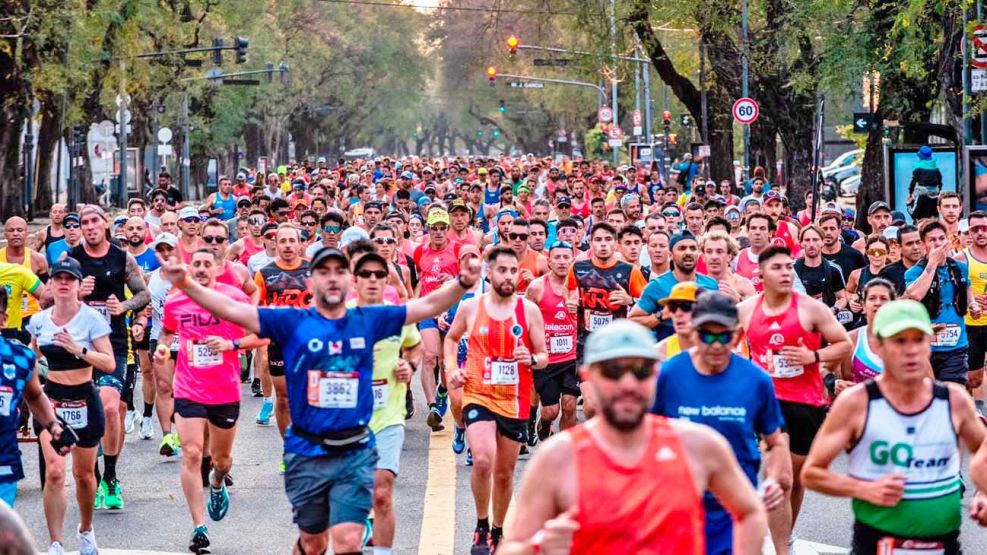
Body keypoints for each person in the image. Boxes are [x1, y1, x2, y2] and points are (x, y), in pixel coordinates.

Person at [156, 243, 481, 555]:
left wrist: (463, 282)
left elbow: (425, 306)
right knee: (313, 543)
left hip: (355, 448)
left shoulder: (368, 320)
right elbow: (231, 309)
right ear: (311, 282)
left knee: (349, 540)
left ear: (348, 280)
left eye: (339, 271)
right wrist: (185, 283)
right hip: (307, 450)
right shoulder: (293, 322)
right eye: (324, 271)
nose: (332, 277)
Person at [498, 319, 768, 555]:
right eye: (613, 372)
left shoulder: (699, 446)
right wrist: (538, 547)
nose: (628, 384)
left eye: (640, 372)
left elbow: (750, 511)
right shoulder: (558, 458)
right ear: (588, 377)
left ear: (656, 375)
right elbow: (512, 547)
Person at [802, 299, 986, 554]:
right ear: (879, 346)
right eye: (899, 341)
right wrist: (863, 488)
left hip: (943, 544)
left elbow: (983, 447)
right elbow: (812, 473)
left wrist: (983, 492)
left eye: (919, 340)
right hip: (876, 543)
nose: (911, 350)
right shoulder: (856, 403)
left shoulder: (953, 401)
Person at [652, 291, 791, 555]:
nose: (716, 345)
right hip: (679, 506)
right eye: (707, 336)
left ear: (737, 335)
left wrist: (773, 478)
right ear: (694, 333)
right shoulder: (668, 375)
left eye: (723, 336)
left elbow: (774, 441)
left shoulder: (756, 380)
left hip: (736, 507)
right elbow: (647, 437)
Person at [738, 245, 853, 539]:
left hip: (806, 400)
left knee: (796, 480)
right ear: (761, 274)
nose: (786, 273)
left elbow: (844, 345)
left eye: (789, 267)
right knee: (779, 477)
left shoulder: (812, 309)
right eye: (777, 268)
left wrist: (813, 357)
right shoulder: (746, 310)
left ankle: (784, 535)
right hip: (768, 401)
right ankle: (779, 546)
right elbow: (726, 348)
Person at [155, 248, 263, 553]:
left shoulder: (233, 298)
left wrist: (230, 344)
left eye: (207, 264)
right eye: (196, 264)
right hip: (188, 387)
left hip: (225, 390)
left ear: (218, 268)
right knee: (191, 452)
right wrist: (162, 349)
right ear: (190, 268)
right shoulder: (176, 300)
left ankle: (216, 482)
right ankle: (198, 527)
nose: (201, 268)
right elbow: (166, 333)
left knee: (221, 460)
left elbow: (262, 335)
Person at [444, 246, 549, 553]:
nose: (508, 277)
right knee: (483, 459)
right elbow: (451, 339)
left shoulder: (528, 310)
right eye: (502, 270)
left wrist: (531, 358)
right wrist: (452, 369)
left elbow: (543, 356)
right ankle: (480, 525)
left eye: (513, 271)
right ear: (488, 273)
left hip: (514, 400)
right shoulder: (471, 307)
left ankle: (497, 530)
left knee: (504, 474)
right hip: (478, 393)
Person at [28, 257, 115, 555]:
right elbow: (33, 356)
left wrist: (78, 349)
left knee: (84, 475)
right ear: (51, 283)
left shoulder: (91, 319)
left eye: (70, 279)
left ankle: (86, 530)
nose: (63, 283)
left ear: (79, 285)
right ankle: (56, 543)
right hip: (51, 402)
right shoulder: (39, 320)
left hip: (84, 399)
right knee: (54, 472)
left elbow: (109, 362)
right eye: (58, 278)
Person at [70, 205, 150, 510]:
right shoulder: (71, 259)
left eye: (95, 221)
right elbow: (50, 298)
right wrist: (77, 294)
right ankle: (93, 473)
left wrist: (124, 307)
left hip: (112, 345)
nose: (90, 227)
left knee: (110, 407)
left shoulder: (122, 258)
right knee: (86, 411)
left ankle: (111, 476)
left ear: (105, 224)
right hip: (77, 347)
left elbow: (143, 294)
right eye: (85, 222)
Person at [348, 248, 423, 554]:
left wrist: (410, 365)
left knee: (381, 492)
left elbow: (415, 346)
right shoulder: (340, 317)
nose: (373, 279)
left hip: (388, 415)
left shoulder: (396, 317)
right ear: (354, 280)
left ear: (386, 279)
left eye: (379, 274)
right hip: (348, 421)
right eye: (365, 274)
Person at [0, 285, 69, 508]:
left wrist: (54, 425)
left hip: (4, 463)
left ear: (3, 319)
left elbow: (35, 396)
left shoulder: (21, 358)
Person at [253, 225, 312, 440]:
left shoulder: (314, 270)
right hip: (279, 345)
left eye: (292, 241)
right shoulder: (264, 274)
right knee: (284, 398)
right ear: (275, 245)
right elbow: (256, 309)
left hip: (309, 343)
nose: (287, 245)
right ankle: (289, 445)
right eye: (283, 241)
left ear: (300, 244)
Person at [904, 220, 979, 384]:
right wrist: (932, 263)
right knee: (928, 393)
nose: (938, 244)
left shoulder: (960, 267)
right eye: (932, 240)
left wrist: (973, 304)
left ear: (948, 240)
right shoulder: (914, 272)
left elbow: (967, 288)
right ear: (923, 244)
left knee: (952, 391)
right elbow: (915, 294)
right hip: (925, 348)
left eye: (941, 238)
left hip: (956, 346)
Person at [525, 241, 578, 441]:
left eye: (566, 257)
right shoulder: (536, 287)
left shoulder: (580, 287)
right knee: (551, 411)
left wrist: (580, 308)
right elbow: (524, 318)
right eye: (557, 257)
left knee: (570, 405)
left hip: (572, 357)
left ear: (572, 260)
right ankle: (544, 423)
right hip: (547, 359)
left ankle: (565, 448)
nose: (562, 262)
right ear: (549, 261)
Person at [414, 209, 460, 431]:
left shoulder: (457, 250)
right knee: (429, 357)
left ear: (448, 229)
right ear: (428, 229)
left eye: (443, 228)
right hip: (428, 312)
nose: (439, 232)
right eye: (434, 228)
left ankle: (442, 391)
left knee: (445, 363)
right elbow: (420, 279)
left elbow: (469, 281)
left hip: (451, 312)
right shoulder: (420, 251)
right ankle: (433, 407)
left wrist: (453, 279)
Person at [630, 231, 719, 341]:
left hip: (704, 346)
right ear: (670, 255)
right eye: (682, 248)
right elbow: (632, 320)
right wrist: (661, 315)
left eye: (692, 248)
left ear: (698, 253)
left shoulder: (711, 284)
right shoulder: (657, 285)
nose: (688, 252)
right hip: (669, 347)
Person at [832, 278, 897, 394]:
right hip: (860, 403)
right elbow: (824, 369)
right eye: (872, 298)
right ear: (863, 306)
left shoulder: (907, 341)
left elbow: (927, 383)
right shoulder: (852, 339)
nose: (878, 303)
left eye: (883, 298)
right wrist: (835, 383)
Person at [954, 210, 987, 395]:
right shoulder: (961, 258)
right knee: (974, 379)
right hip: (971, 325)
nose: (980, 233)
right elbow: (952, 293)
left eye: (984, 228)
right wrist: (970, 300)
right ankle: (970, 405)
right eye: (975, 229)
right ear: (969, 232)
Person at [794, 225, 850, 325]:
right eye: (807, 240)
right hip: (798, 323)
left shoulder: (833, 269)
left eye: (815, 240)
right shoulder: (791, 269)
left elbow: (842, 298)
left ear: (822, 242)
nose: (811, 244)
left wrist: (833, 310)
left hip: (825, 324)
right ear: (801, 243)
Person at [879, 224, 923, 295]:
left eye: (918, 242)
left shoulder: (932, 267)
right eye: (909, 244)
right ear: (899, 247)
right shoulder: (888, 273)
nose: (915, 247)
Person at [907, 145, 943, 221]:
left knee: (915, 206)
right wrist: (939, 191)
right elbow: (940, 180)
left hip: (922, 191)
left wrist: (910, 195)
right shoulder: (935, 166)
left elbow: (914, 181)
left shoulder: (918, 166)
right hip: (934, 192)